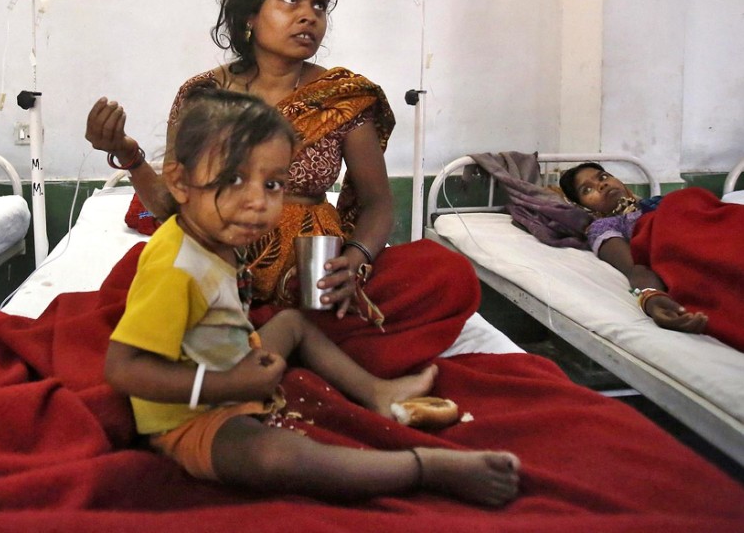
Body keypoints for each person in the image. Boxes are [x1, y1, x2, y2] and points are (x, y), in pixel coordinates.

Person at [104, 89, 520, 505]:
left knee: (291, 323)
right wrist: (228, 383)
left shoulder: (217, 236)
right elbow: (122, 369)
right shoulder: (175, 267)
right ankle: (422, 467)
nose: (258, 202)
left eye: (272, 184)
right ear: (179, 182)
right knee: (274, 457)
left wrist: (242, 364)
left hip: (234, 367)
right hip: (191, 416)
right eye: (233, 179)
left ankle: (377, 392)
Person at [87, 0, 475, 332]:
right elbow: (173, 206)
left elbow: (377, 204)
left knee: (446, 273)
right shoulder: (202, 96)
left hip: (317, 279)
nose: (309, 15)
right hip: (220, 266)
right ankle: (281, 336)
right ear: (251, 15)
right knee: (140, 280)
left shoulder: (343, 96)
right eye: (291, 0)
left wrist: (354, 261)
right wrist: (128, 156)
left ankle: (286, 334)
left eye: (320, 6)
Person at [560, 162, 718, 335]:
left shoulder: (662, 201)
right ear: (583, 207)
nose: (602, 185)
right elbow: (634, 267)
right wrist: (652, 298)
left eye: (603, 177)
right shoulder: (605, 226)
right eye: (587, 190)